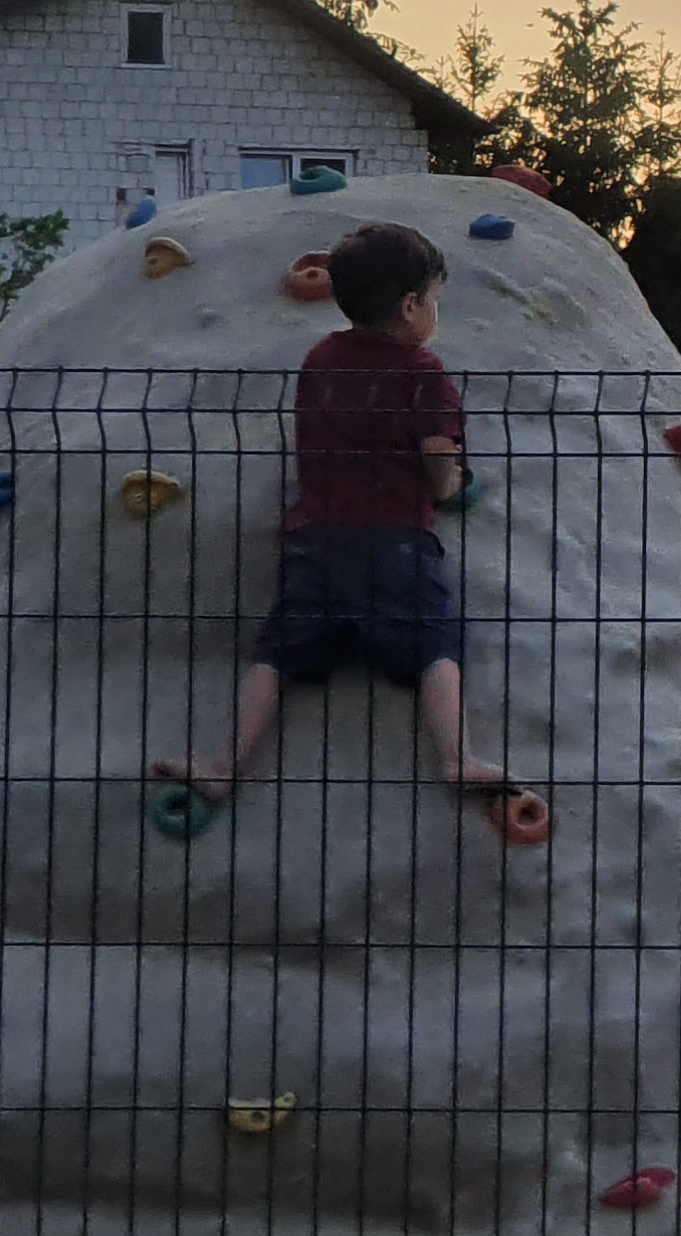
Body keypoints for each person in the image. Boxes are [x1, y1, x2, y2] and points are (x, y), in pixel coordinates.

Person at [152, 220, 528, 836]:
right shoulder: (423, 371)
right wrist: (448, 485)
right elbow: (438, 452)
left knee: (277, 652)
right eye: (435, 299)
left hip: (316, 539)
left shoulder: (320, 360)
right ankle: (457, 755)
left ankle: (225, 763)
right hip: (395, 539)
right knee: (436, 644)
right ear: (411, 306)